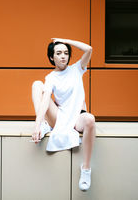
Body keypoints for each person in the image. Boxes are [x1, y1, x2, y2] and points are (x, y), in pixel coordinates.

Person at [31, 38, 95, 192]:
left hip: (77, 117)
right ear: (52, 57)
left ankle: (86, 169)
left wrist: (64, 40)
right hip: (60, 117)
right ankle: (45, 125)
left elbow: (89, 49)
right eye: (58, 53)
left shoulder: (77, 68)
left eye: (66, 53)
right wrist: (37, 125)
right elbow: (46, 101)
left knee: (90, 119)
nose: (63, 56)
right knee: (37, 85)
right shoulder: (51, 78)